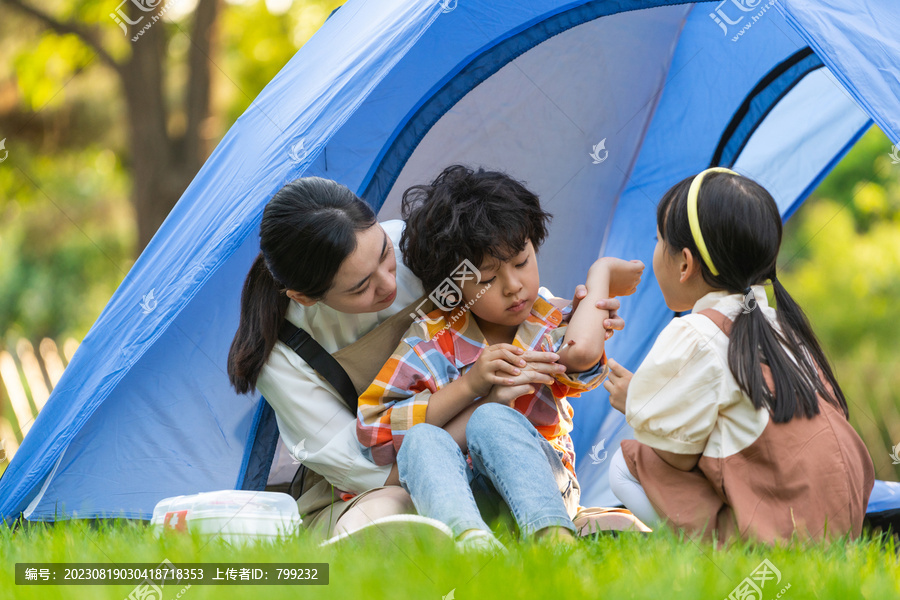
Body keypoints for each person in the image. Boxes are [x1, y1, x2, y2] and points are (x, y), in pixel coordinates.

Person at [227, 176, 626, 541]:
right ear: (306, 297)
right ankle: (469, 546)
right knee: (389, 518)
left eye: (383, 253)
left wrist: (583, 314)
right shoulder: (282, 354)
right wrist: (481, 402)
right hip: (388, 481)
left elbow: (519, 302)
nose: (388, 283)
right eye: (361, 287)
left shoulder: (410, 245)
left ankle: (542, 533)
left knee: (493, 444)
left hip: (506, 452)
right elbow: (372, 469)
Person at [356, 165, 646, 550]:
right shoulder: (431, 337)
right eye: (488, 279)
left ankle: (555, 542)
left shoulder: (548, 316)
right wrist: (471, 385)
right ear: (453, 286)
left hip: (544, 489)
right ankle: (471, 545)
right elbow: (375, 430)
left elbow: (583, 355)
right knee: (421, 440)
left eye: (522, 262)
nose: (514, 287)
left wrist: (601, 275)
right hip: (460, 496)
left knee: (493, 419)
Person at [605, 168, 875, 545]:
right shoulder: (781, 325)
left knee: (626, 464)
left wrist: (637, 401)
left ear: (684, 263)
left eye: (657, 239)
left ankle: (715, 558)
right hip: (838, 522)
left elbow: (674, 457)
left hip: (780, 534)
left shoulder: (695, 333)